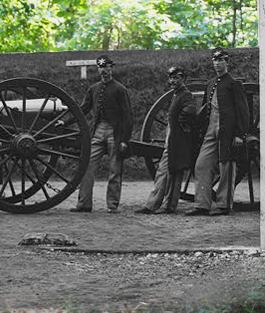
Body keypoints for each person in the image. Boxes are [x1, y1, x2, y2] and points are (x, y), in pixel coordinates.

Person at [188, 47, 250, 216]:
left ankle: (224, 205)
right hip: (210, 130)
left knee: (226, 168)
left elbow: (243, 112)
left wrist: (239, 134)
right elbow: (204, 110)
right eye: (215, 60)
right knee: (201, 165)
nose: (217, 63)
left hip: (227, 131)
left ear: (227, 62)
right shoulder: (210, 83)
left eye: (221, 60)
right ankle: (202, 204)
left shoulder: (233, 84)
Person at [71, 54, 133, 213]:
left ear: (111, 68)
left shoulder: (120, 89)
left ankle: (112, 205)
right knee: (86, 166)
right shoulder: (94, 88)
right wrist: (65, 121)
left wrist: (125, 139)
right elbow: (83, 109)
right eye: (100, 67)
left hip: (115, 132)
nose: (103, 70)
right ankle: (84, 204)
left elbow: (127, 116)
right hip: (98, 131)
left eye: (106, 67)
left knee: (114, 170)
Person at [136, 65, 197, 215]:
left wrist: (181, 120)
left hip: (178, 137)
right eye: (171, 78)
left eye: (176, 78)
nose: (173, 81)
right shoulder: (176, 94)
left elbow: (191, 109)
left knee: (167, 171)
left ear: (183, 79)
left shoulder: (186, 95)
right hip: (173, 136)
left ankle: (156, 205)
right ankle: (167, 205)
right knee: (170, 171)